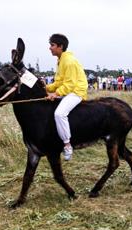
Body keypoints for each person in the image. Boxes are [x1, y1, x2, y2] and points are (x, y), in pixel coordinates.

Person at [46, 33, 88, 161]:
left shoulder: (69, 61)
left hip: (76, 91)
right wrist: (46, 88)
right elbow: (59, 82)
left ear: (60, 46)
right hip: (69, 90)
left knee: (59, 114)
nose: (50, 48)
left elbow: (69, 84)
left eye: (52, 45)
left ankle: (67, 145)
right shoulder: (60, 60)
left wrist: (56, 94)